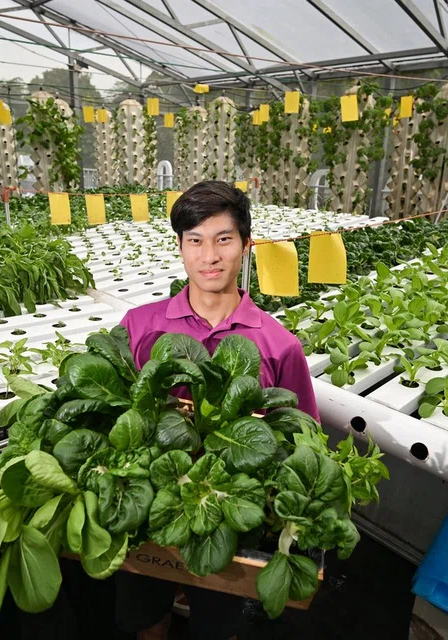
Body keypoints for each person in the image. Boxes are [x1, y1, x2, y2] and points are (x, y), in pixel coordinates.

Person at [116, 180, 319, 640]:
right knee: (145, 620)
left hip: (228, 516)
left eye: (223, 239)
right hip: (149, 505)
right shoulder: (139, 325)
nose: (209, 256)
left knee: (217, 626)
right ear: (181, 247)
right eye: (195, 240)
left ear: (246, 246)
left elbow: (304, 437)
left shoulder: (277, 344)